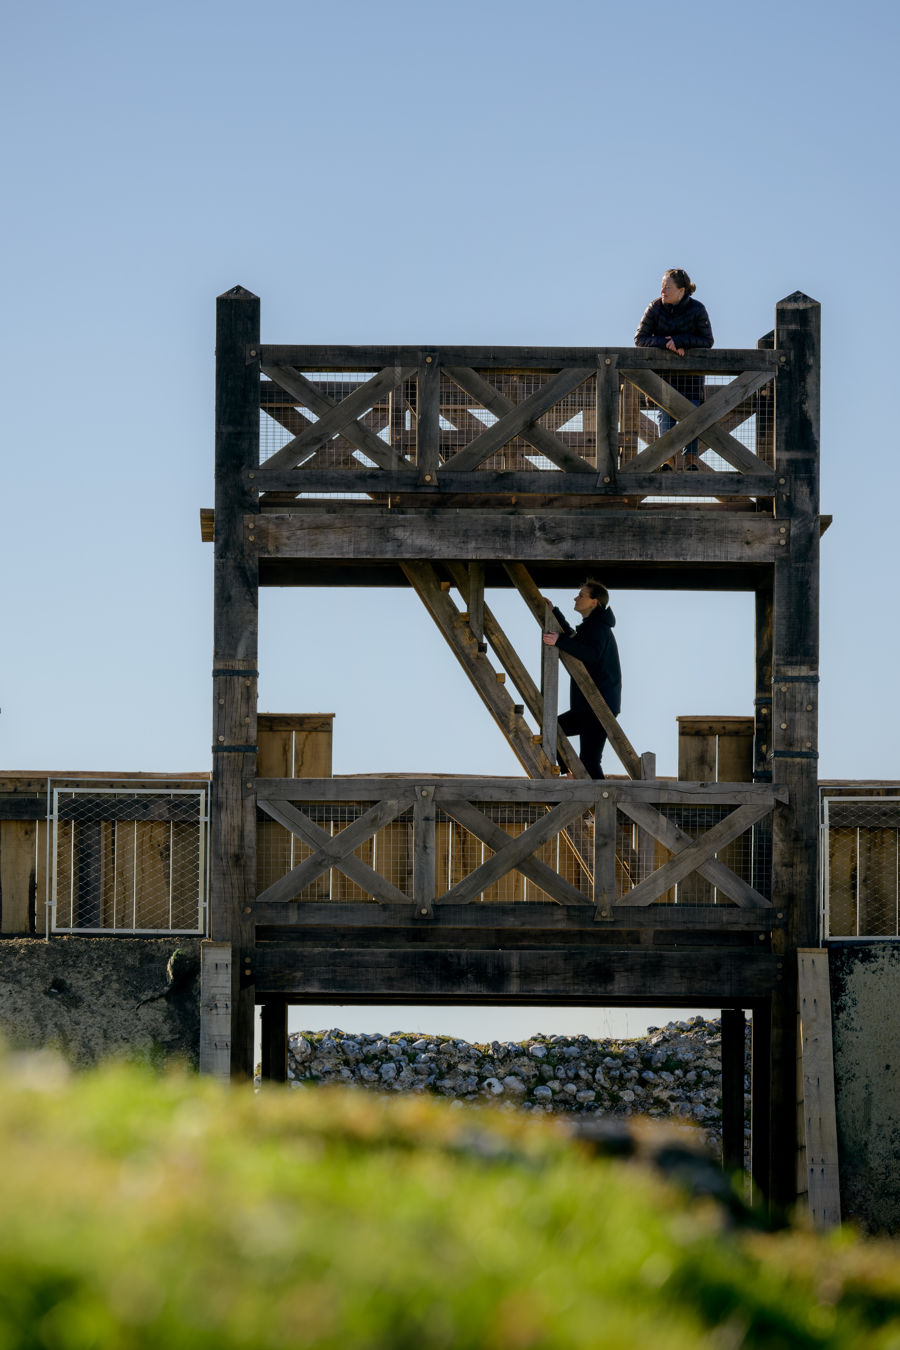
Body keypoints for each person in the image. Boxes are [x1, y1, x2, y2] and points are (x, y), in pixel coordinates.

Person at [634, 268, 713, 470]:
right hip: (663, 377)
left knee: (691, 416)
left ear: (682, 290)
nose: (663, 290)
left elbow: (707, 341)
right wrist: (665, 343)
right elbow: (639, 339)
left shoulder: (698, 309)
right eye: (662, 286)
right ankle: (667, 460)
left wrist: (681, 341)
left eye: (668, 287)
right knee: (665, 414)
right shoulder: (654, 308)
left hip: (691, 377)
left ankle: (690, 461)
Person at [542, 580, 621, 779]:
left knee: (590, 760)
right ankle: (567, 771)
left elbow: (591, 653)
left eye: (581, 596)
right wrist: (554, 613)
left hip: (598, 706)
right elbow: (574, 638)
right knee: (553, 729)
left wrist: (559, 641)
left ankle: (603, 804)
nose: (576, 598)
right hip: (587, 706)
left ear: (594, 602)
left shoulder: (598, 628)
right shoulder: (592, 626)